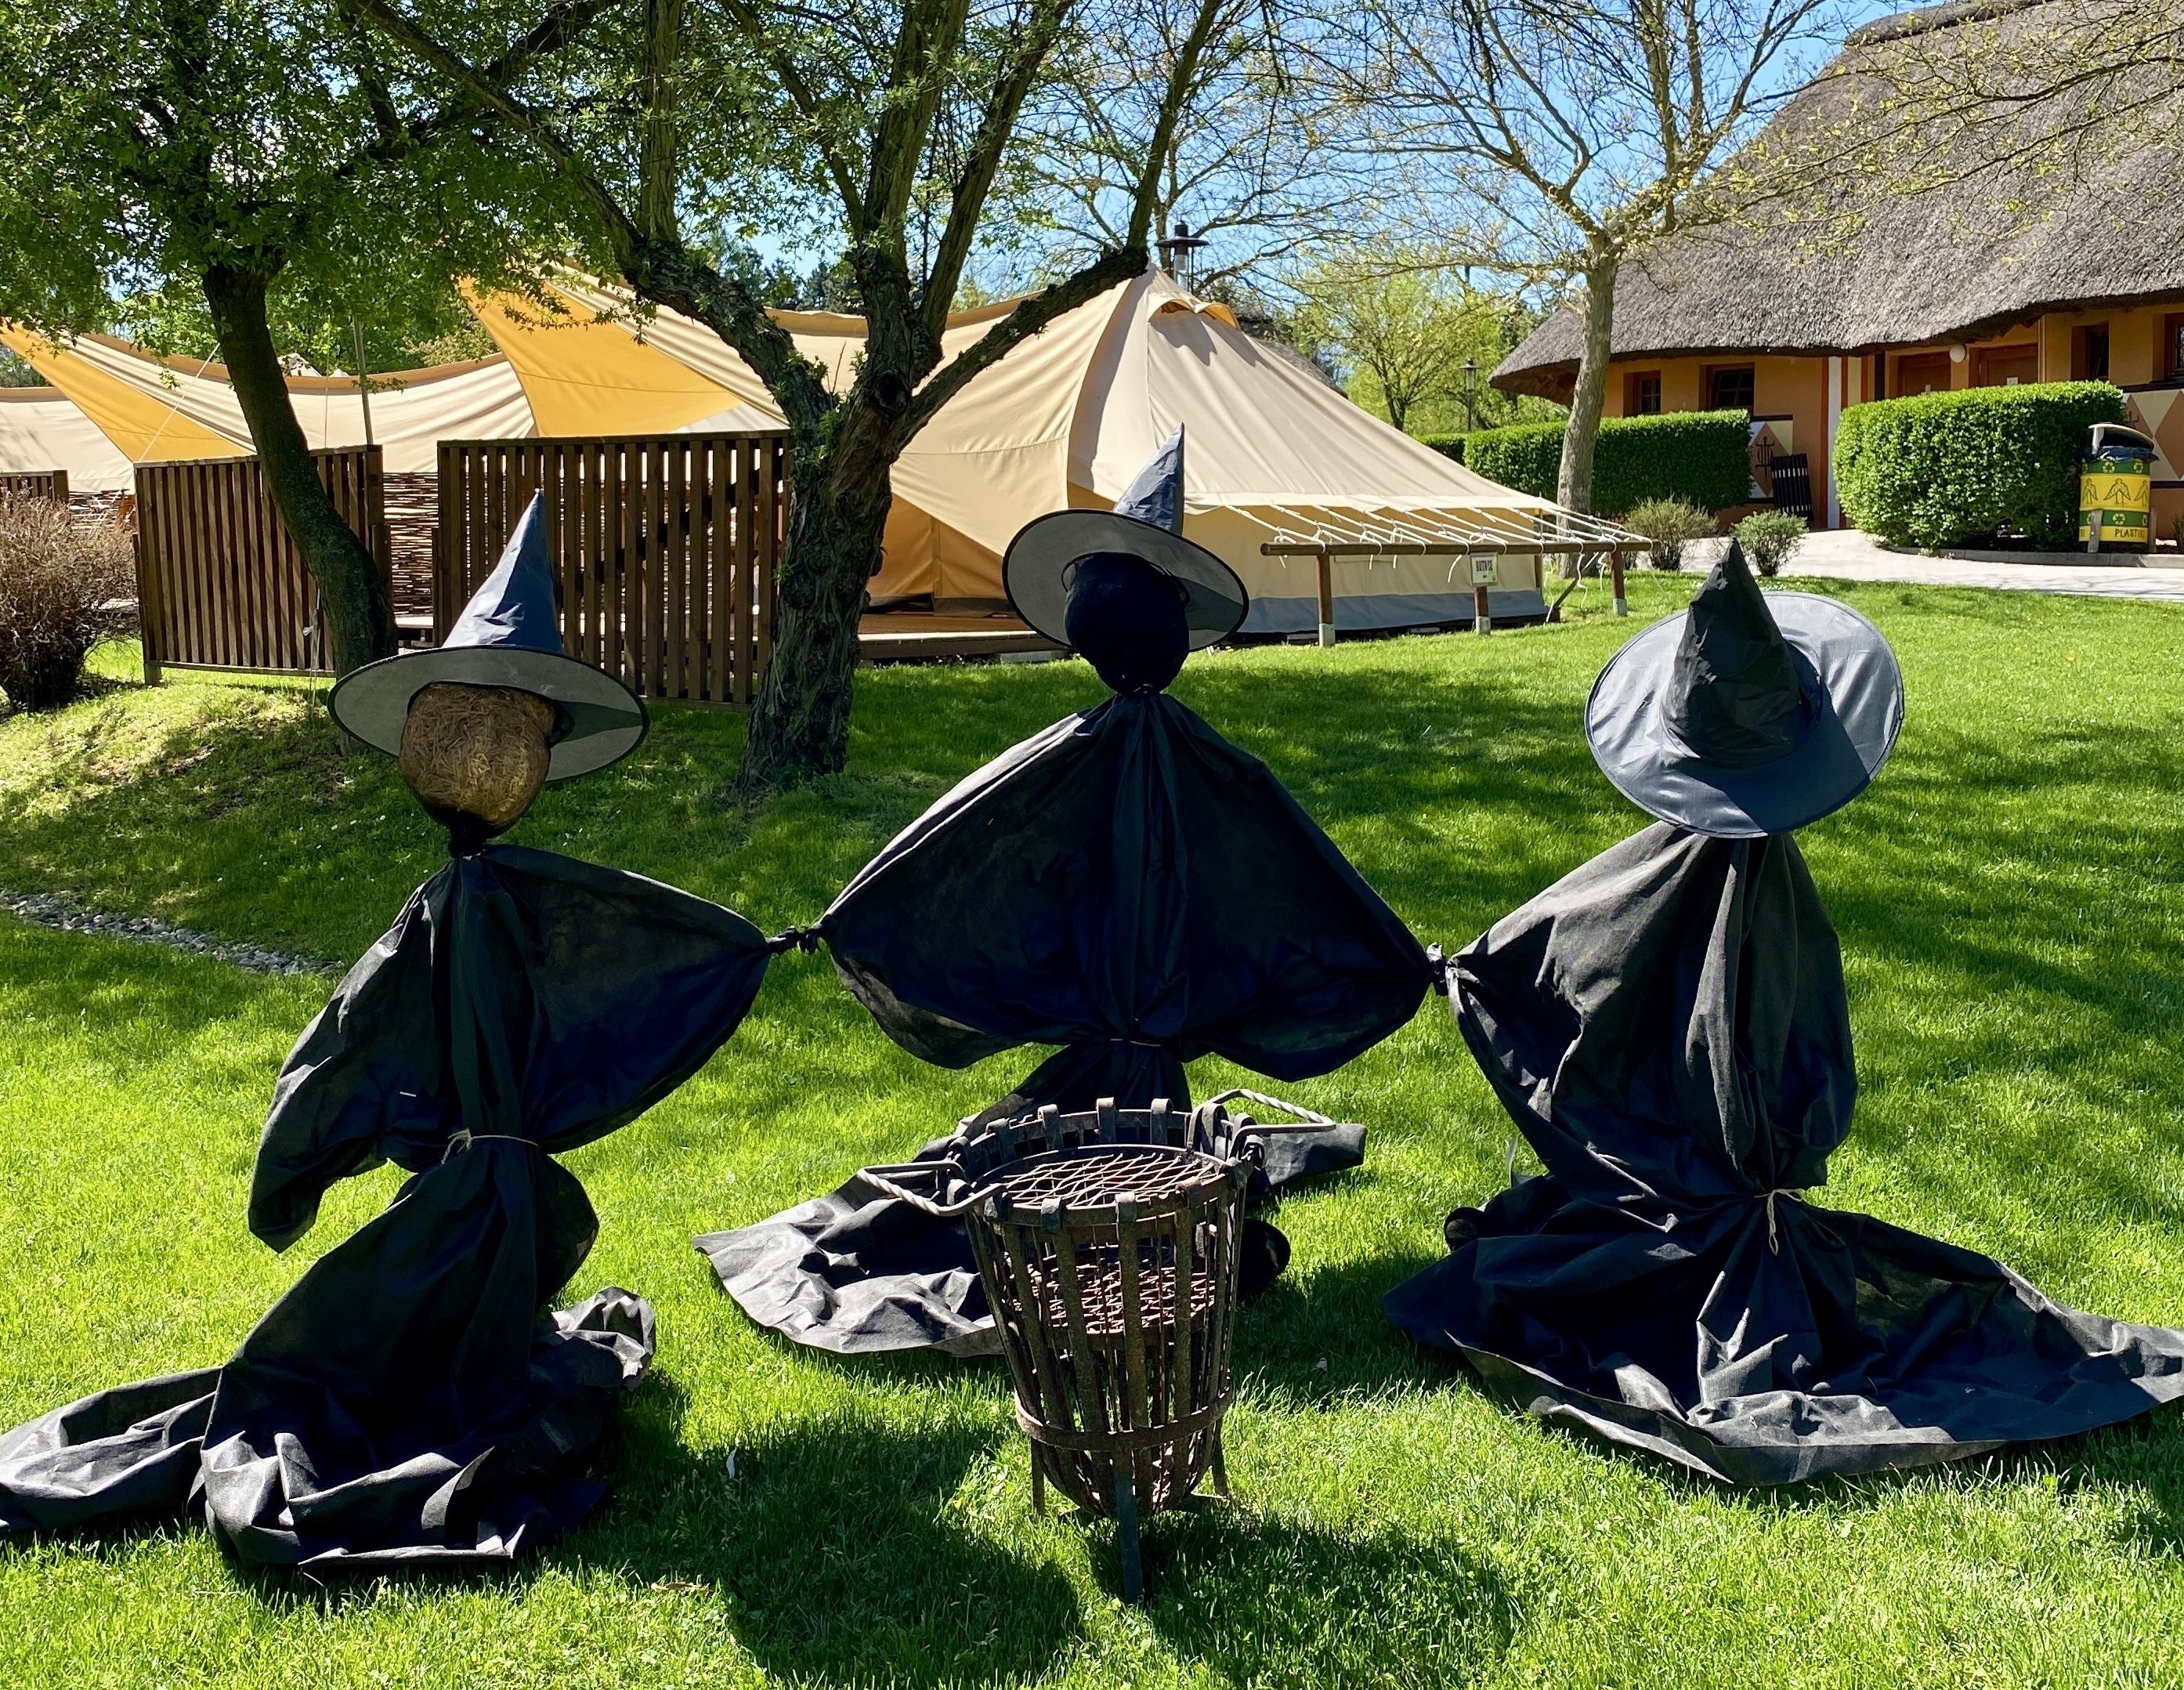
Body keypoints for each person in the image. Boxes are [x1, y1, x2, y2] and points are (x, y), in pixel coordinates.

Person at [0, 497, 776, 1562]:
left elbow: (362, 1046)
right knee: (344, 1375)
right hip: (474, 1195)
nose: (486, 757)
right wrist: (302, 1156)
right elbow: (360, 1040)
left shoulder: (495, 903)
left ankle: (466, 1352)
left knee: (395, 1366)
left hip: (482, 1198)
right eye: (458, 730)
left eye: (514, 736)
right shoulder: (466, 905)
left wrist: (744, 953)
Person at [1383, 542, 2184, 1483]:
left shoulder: (1702, 887)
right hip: (1705, 1199)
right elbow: (1778, 1068)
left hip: (1680, 1185)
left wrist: (1470, 974)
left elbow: (1549, 957)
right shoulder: (1702, 890)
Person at [700, 430, 1434, 1356]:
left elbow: (1293, 875)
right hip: (1135, 1073)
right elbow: (950, 852)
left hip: (1136, 1074)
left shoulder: (1159, 768)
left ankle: (1126, 1186)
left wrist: (1403, 962)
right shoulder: (1145, 765)